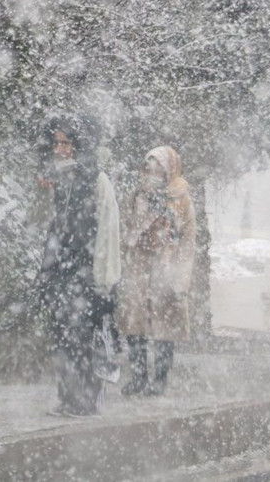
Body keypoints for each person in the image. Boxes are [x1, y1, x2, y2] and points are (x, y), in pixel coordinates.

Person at [36, 115, 121, 416]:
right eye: (57, 143)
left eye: (67, 143)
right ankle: (68, 397)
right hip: (60, 270)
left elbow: (108, 231)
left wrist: (104, 278)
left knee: (84, 338)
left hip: (85, 274)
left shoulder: (97, 180)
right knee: (62, 337)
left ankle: (87, 399)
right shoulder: (54, 178)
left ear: (79, 145)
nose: (60, 149)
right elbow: (48, 226)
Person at [118, 145, 196, 396]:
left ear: (169, 168)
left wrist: (181, 279)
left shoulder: (182, 198)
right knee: (135, 324)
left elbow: (188, 241)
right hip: (139, 266)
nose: (152, 170)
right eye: (148, 165)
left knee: (165, 326)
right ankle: (138, 376)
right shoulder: (138, 195)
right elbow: (125, 227)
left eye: (158, 166)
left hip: (167, 267)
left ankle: (160, 380)